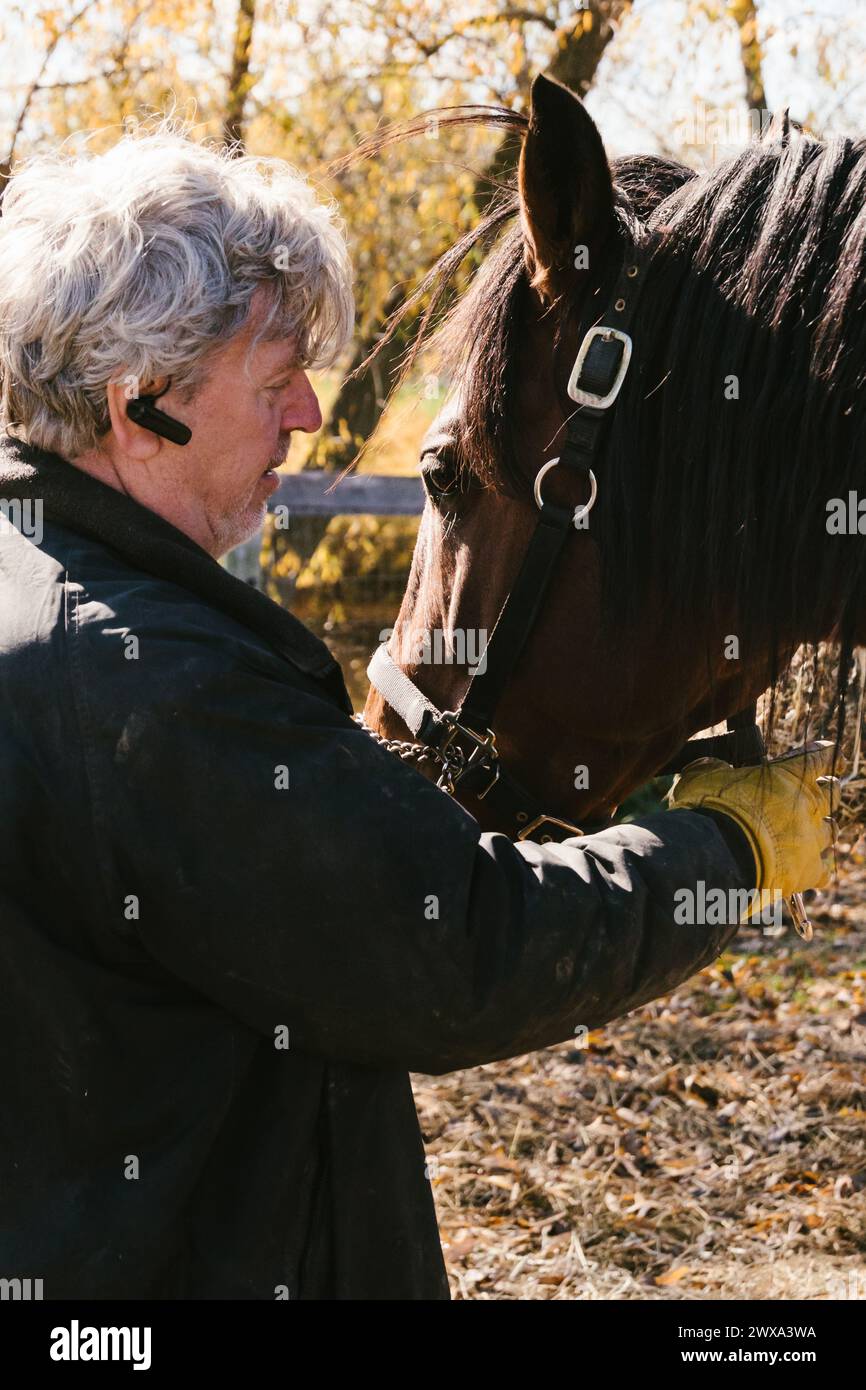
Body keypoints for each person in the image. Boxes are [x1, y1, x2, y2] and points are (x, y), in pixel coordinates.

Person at [0, 123, 835, 1301]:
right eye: (276, 376)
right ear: (144, 402)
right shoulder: (148, 676)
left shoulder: (35, 581)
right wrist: (724, 850)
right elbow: (456, 948)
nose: (305, 417)